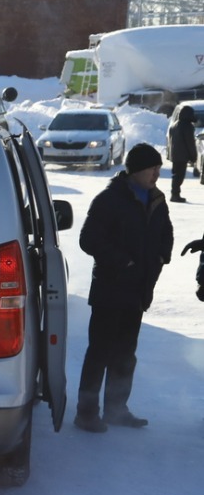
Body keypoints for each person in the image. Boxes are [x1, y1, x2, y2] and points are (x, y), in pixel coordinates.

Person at [74, 142, 174, 433]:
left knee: (125, 354)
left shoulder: (156, 199)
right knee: (100, 353)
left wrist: (161, 257)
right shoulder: (109, 199)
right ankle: (86, 413)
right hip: (110, 289)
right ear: (136, 170)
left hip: (138, 289)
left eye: (158, 167)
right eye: (152, 168)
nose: (157, 172)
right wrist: (122, 262)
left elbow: (165, 233)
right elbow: (88, 239)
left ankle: (117, 409)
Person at [167, 105, 197, 203]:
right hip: (182, 156)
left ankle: (175, 194)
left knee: (176, 175)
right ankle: (175, 195)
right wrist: (193, 156)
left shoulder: (174, 125)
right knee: (179, 176)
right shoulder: (187, 126)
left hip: (175, 155)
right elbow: (190, 143)